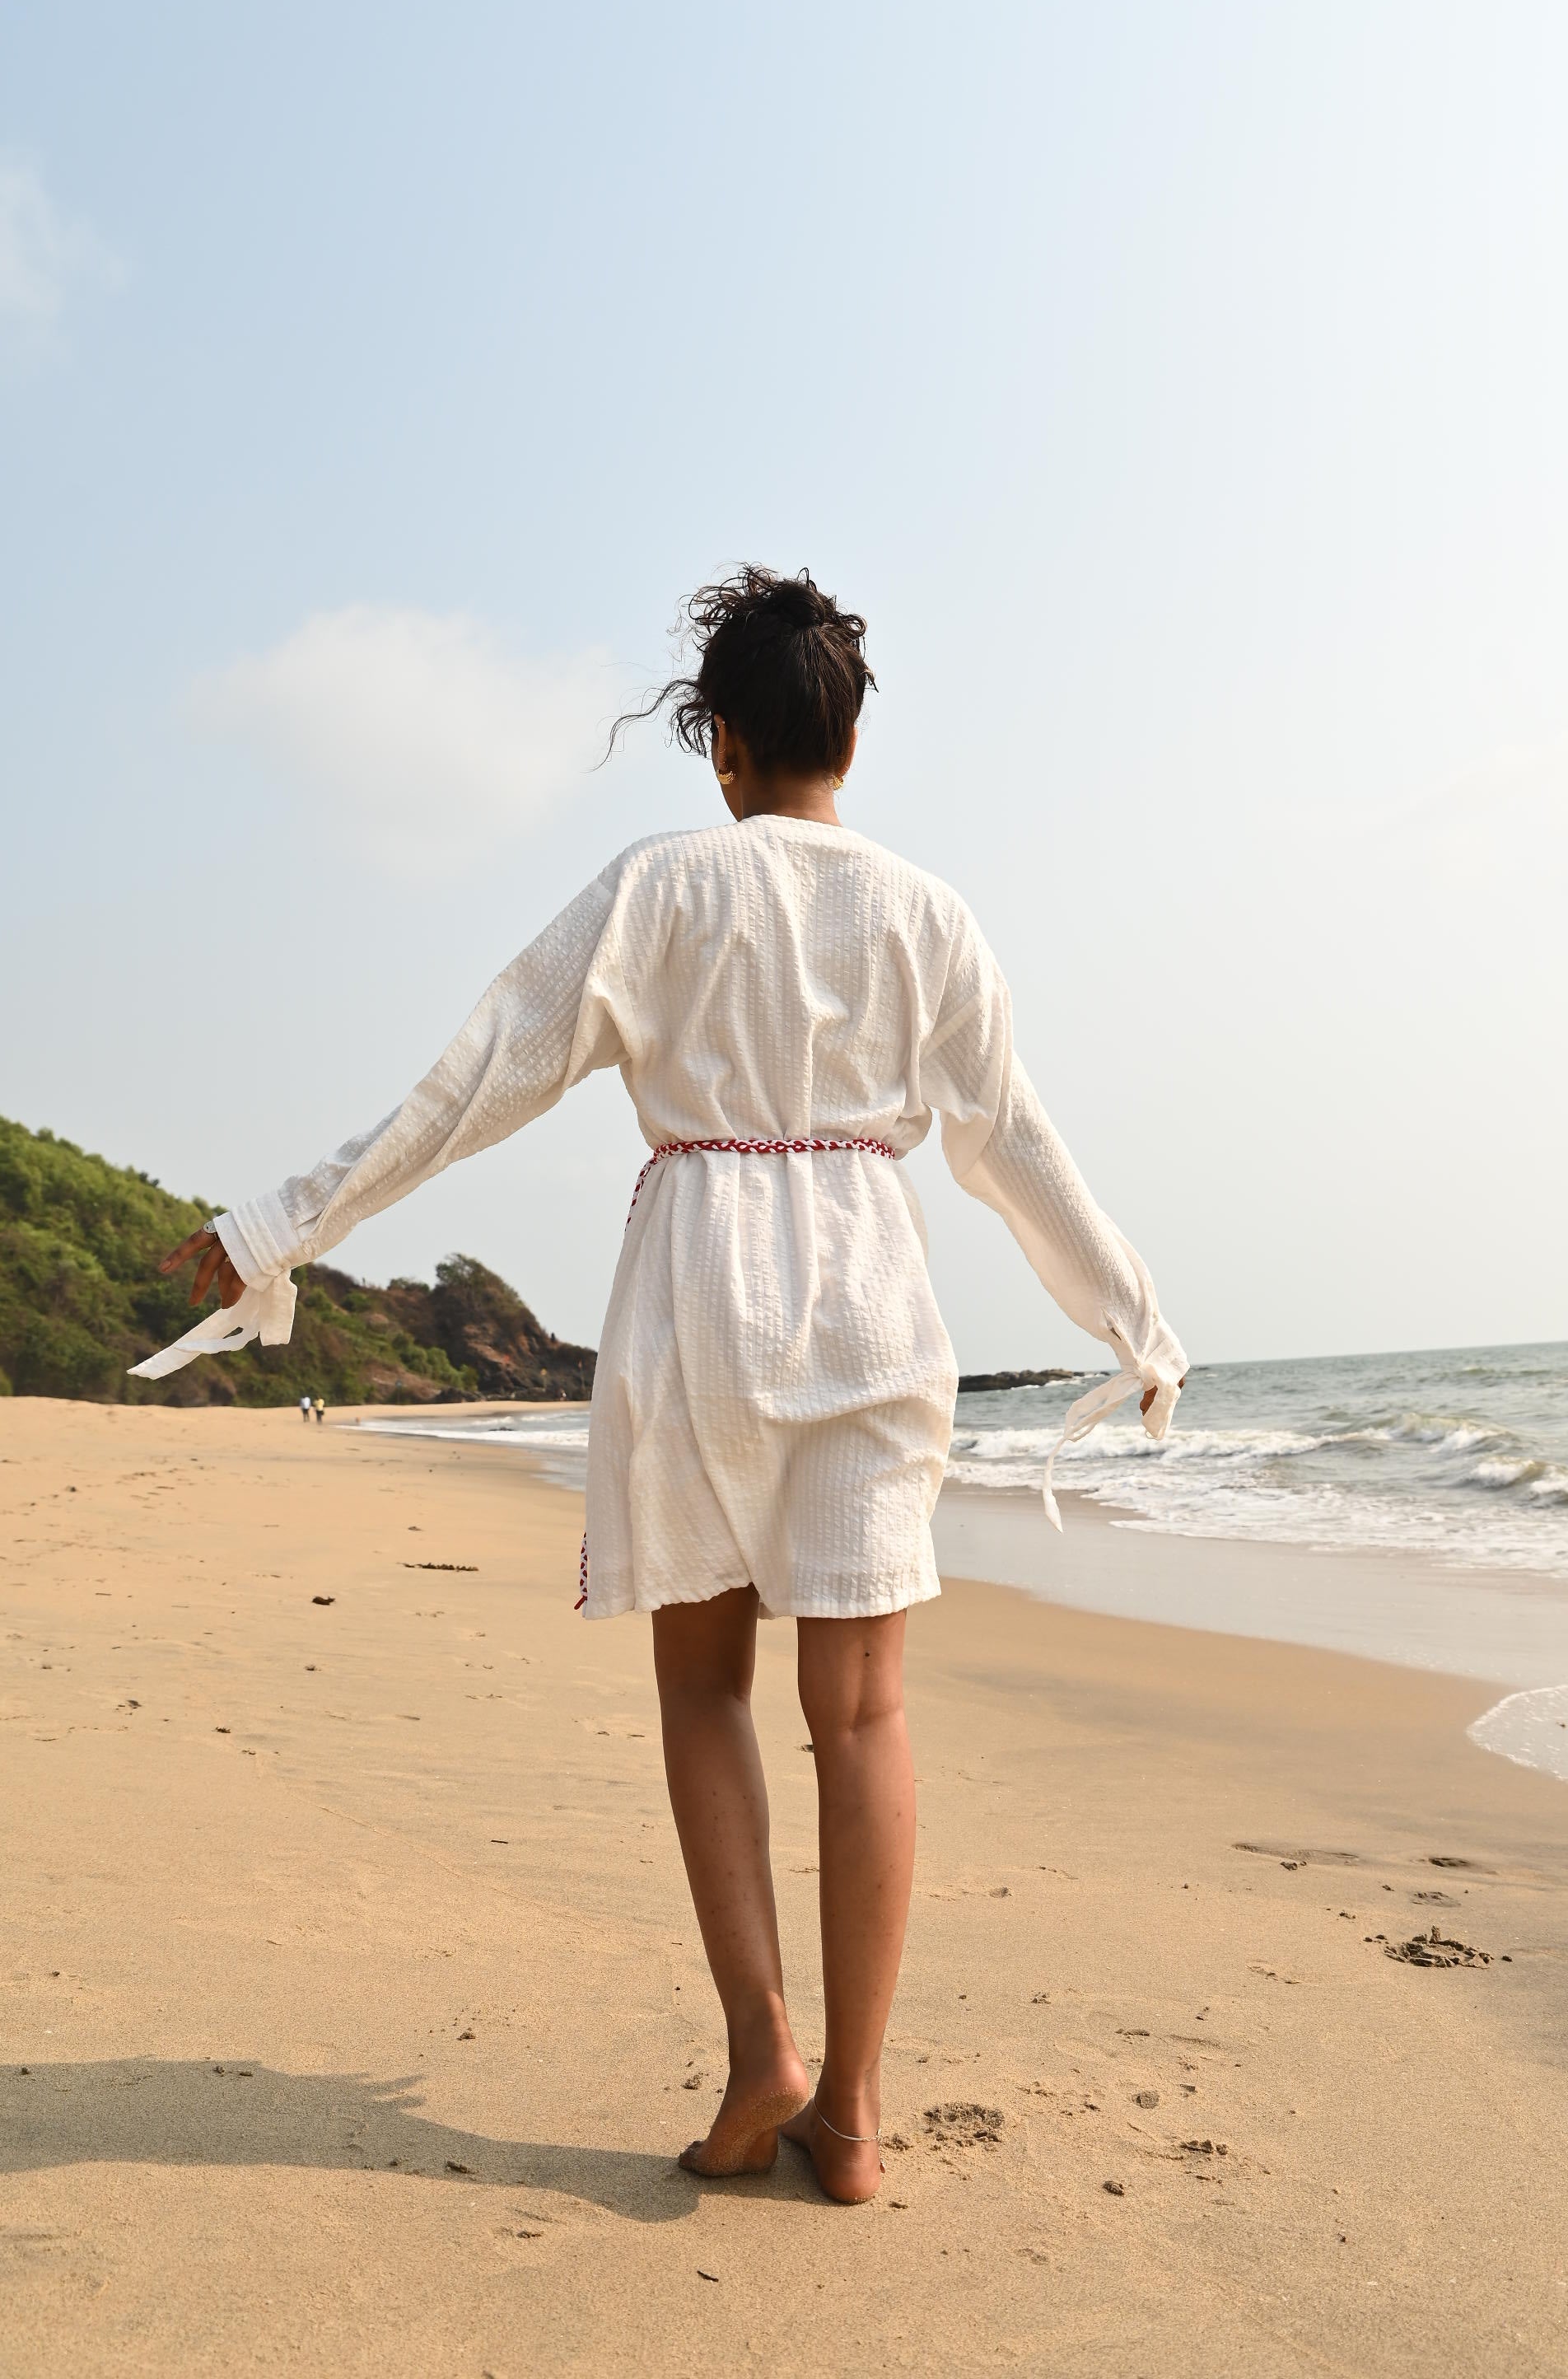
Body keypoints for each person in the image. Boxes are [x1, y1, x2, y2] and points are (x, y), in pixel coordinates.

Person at [142, 567, 1186, 2204]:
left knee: (706, 1688)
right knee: (866, 1715)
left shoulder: (662, 884)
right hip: (866, 1279)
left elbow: (474, 1080)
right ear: (849, 733)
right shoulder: (930, 914)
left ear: (722, 745)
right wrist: (1137, 1323)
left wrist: (284, 1223)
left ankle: (760, 2044)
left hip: (700, 1278)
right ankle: (851, 2116)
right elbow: (1011, 1145)